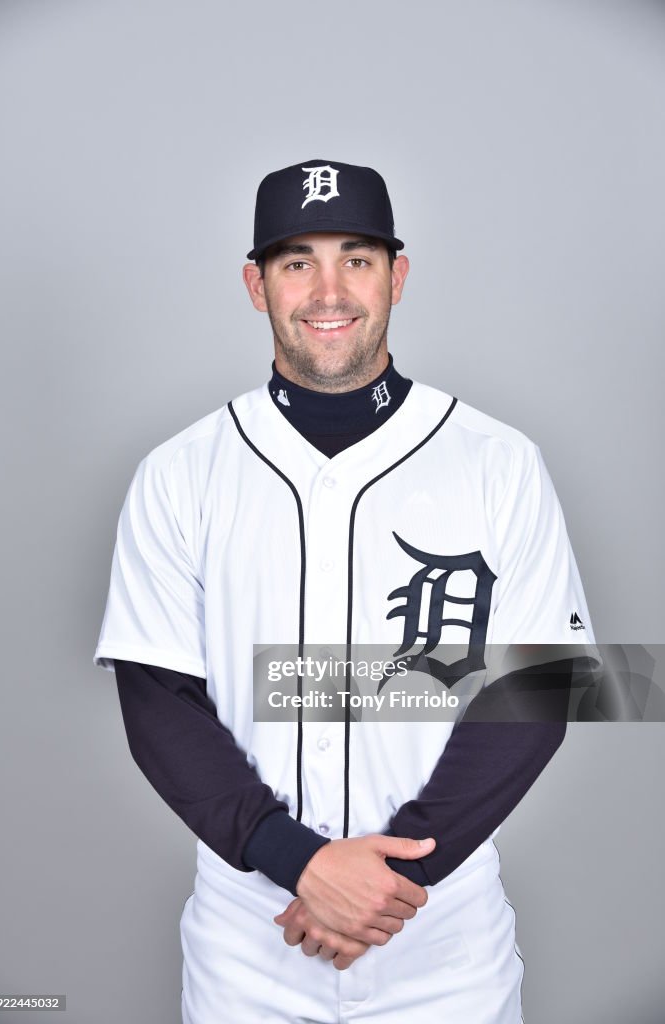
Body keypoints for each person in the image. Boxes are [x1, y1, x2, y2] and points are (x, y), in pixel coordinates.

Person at [94, 159, 596, 1023]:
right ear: (257, 285)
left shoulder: (498, 462)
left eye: (356, 258)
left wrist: (387, 883)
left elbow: (541, 687)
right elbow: (158, 701)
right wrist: (297, 861)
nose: (329, 289)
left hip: (444, 944)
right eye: (297, 261)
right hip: (251, 938)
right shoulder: (180, 473)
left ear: (397, 276)